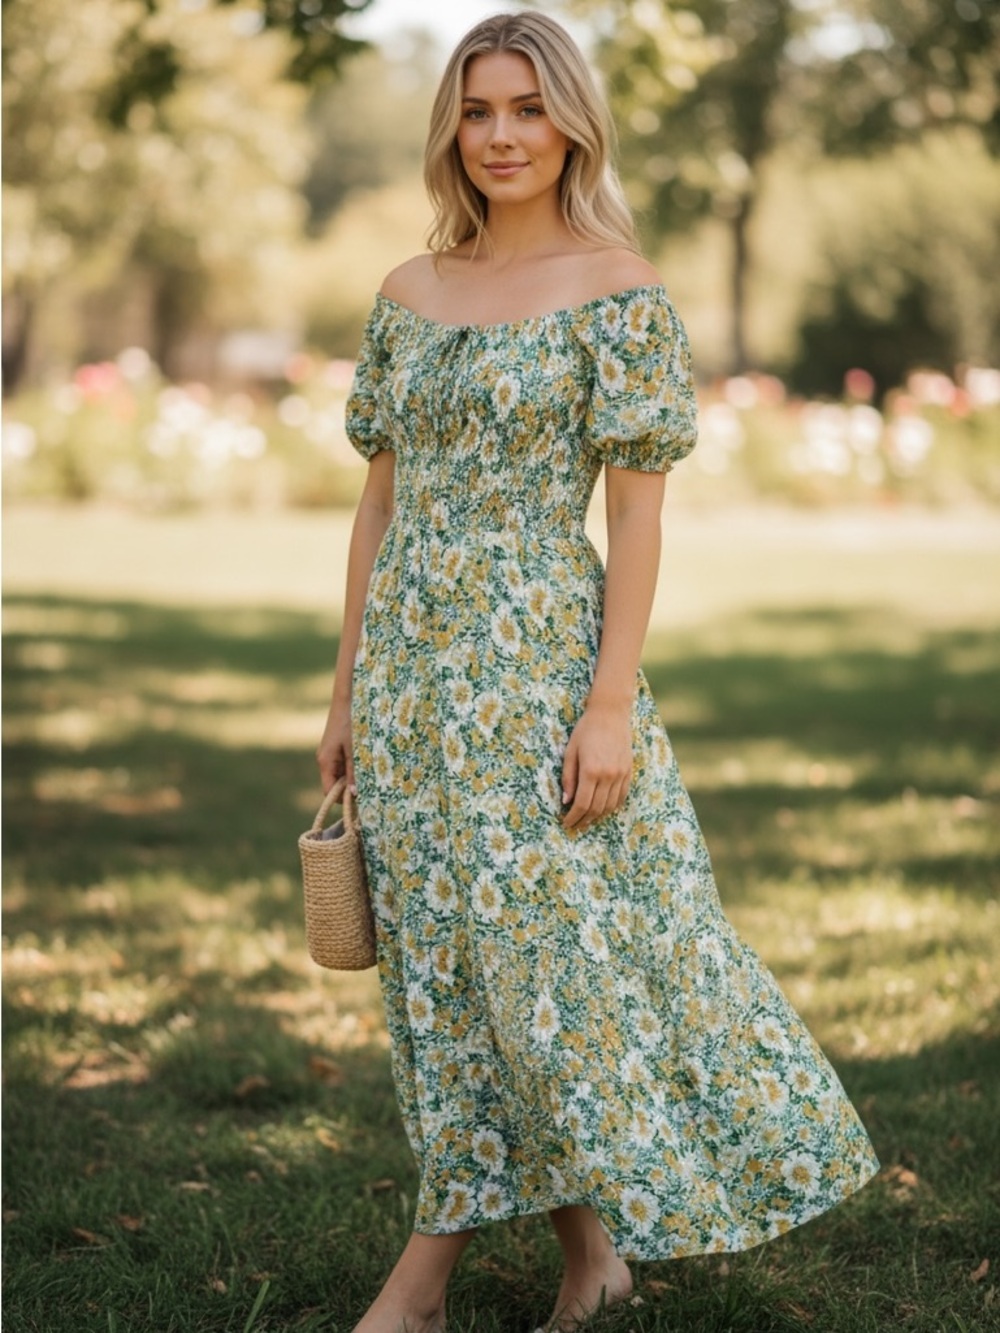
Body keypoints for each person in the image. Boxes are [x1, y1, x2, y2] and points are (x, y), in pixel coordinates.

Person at [316, 12, 879, 1332]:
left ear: (571, 120)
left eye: (526, 108)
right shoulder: (409, 290)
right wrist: (344, 691)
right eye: (477, 110)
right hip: (409, 681)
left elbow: (636, 516)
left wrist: (608, 699)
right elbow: (376, 504)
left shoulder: (617, 288)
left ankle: (422, 1283)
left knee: (548, 962)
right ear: (450, 129)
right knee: (453, 973)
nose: (502, 134)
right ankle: (592, 1258)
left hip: (534, 664)